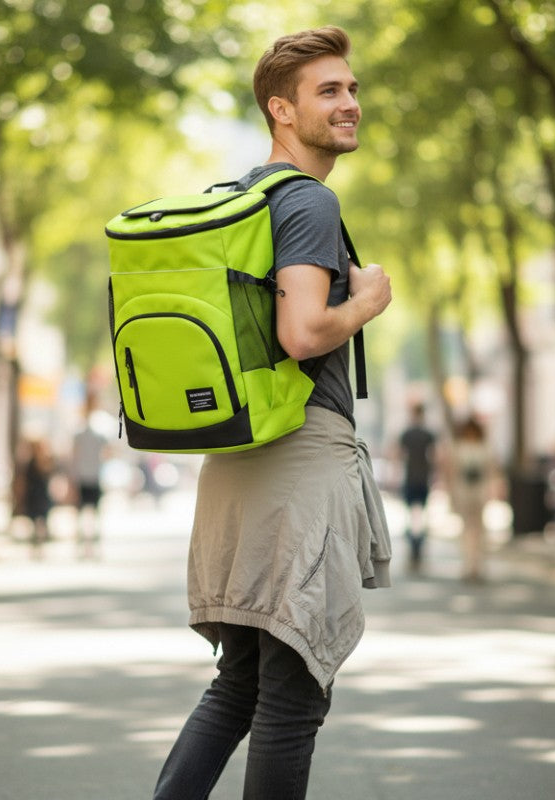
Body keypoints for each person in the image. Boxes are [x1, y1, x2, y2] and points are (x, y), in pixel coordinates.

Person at [152, 26, 392, 800]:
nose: (350, 103)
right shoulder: (307, 201)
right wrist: (366, 302)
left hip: (236, 458)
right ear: (281, 110)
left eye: (351, 89)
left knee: (239, 686)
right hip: (297, 460)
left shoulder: (240, 198)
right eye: (330, 91)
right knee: (292, 697)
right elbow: (302, 332)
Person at [448, 415, 494, 583]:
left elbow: (491, 470)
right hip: (464, 491)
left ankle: (478, 564)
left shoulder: (484, 448)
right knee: (466, 530)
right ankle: (468, 564)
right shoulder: (459, 448)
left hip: (479, 492)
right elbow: (452, 470)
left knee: (479, 530)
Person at [398, 402, 437, 572]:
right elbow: (435, 456)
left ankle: (414, 552)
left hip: (410, 479)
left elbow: (398, 455)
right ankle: (418, 551)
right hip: (423, 479)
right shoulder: (428, 435)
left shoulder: (407, 434)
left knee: (411, 518)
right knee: (420, 518)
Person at [71, 397, 108, 559]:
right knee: (93, 514)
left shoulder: (81, 434)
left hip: (86, 476)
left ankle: (85, 547)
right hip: (92, 476)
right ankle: (90, 547)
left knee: (84, 514)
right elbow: (107, 452)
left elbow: (74, 456)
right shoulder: (98, 434)